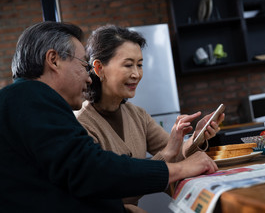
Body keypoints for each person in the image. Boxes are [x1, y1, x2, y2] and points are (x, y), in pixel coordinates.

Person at [0, 21, 218, 213]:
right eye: (84, 65)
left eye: (139, 64)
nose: (88, 78)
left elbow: (68, 184)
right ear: (53, 60)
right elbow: (92, 170)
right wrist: (179, 168)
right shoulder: (31, 97)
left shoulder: (27, 100)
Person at [76, 25, 225, 211]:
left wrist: (197, 136)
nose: (136, 74)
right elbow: (110, 188)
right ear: (98, 68)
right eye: (128, 65)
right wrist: (167, 154)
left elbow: (175, 157)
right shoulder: (81, 125)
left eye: (139, 65)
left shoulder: (137, 115)